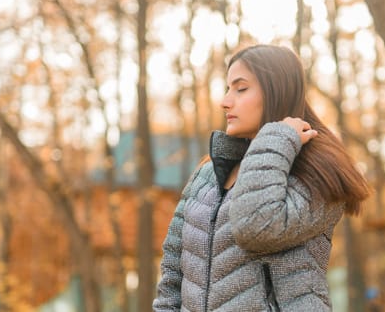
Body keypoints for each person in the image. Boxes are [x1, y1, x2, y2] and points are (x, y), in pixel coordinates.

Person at [152, 44, 370, 311]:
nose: (225, 101)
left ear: (276, 92)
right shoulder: (207, 175)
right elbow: (173, 271)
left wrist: (277, 138)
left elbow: (257, 228)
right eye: (227, 88)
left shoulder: (317, 172)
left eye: (241, 89)